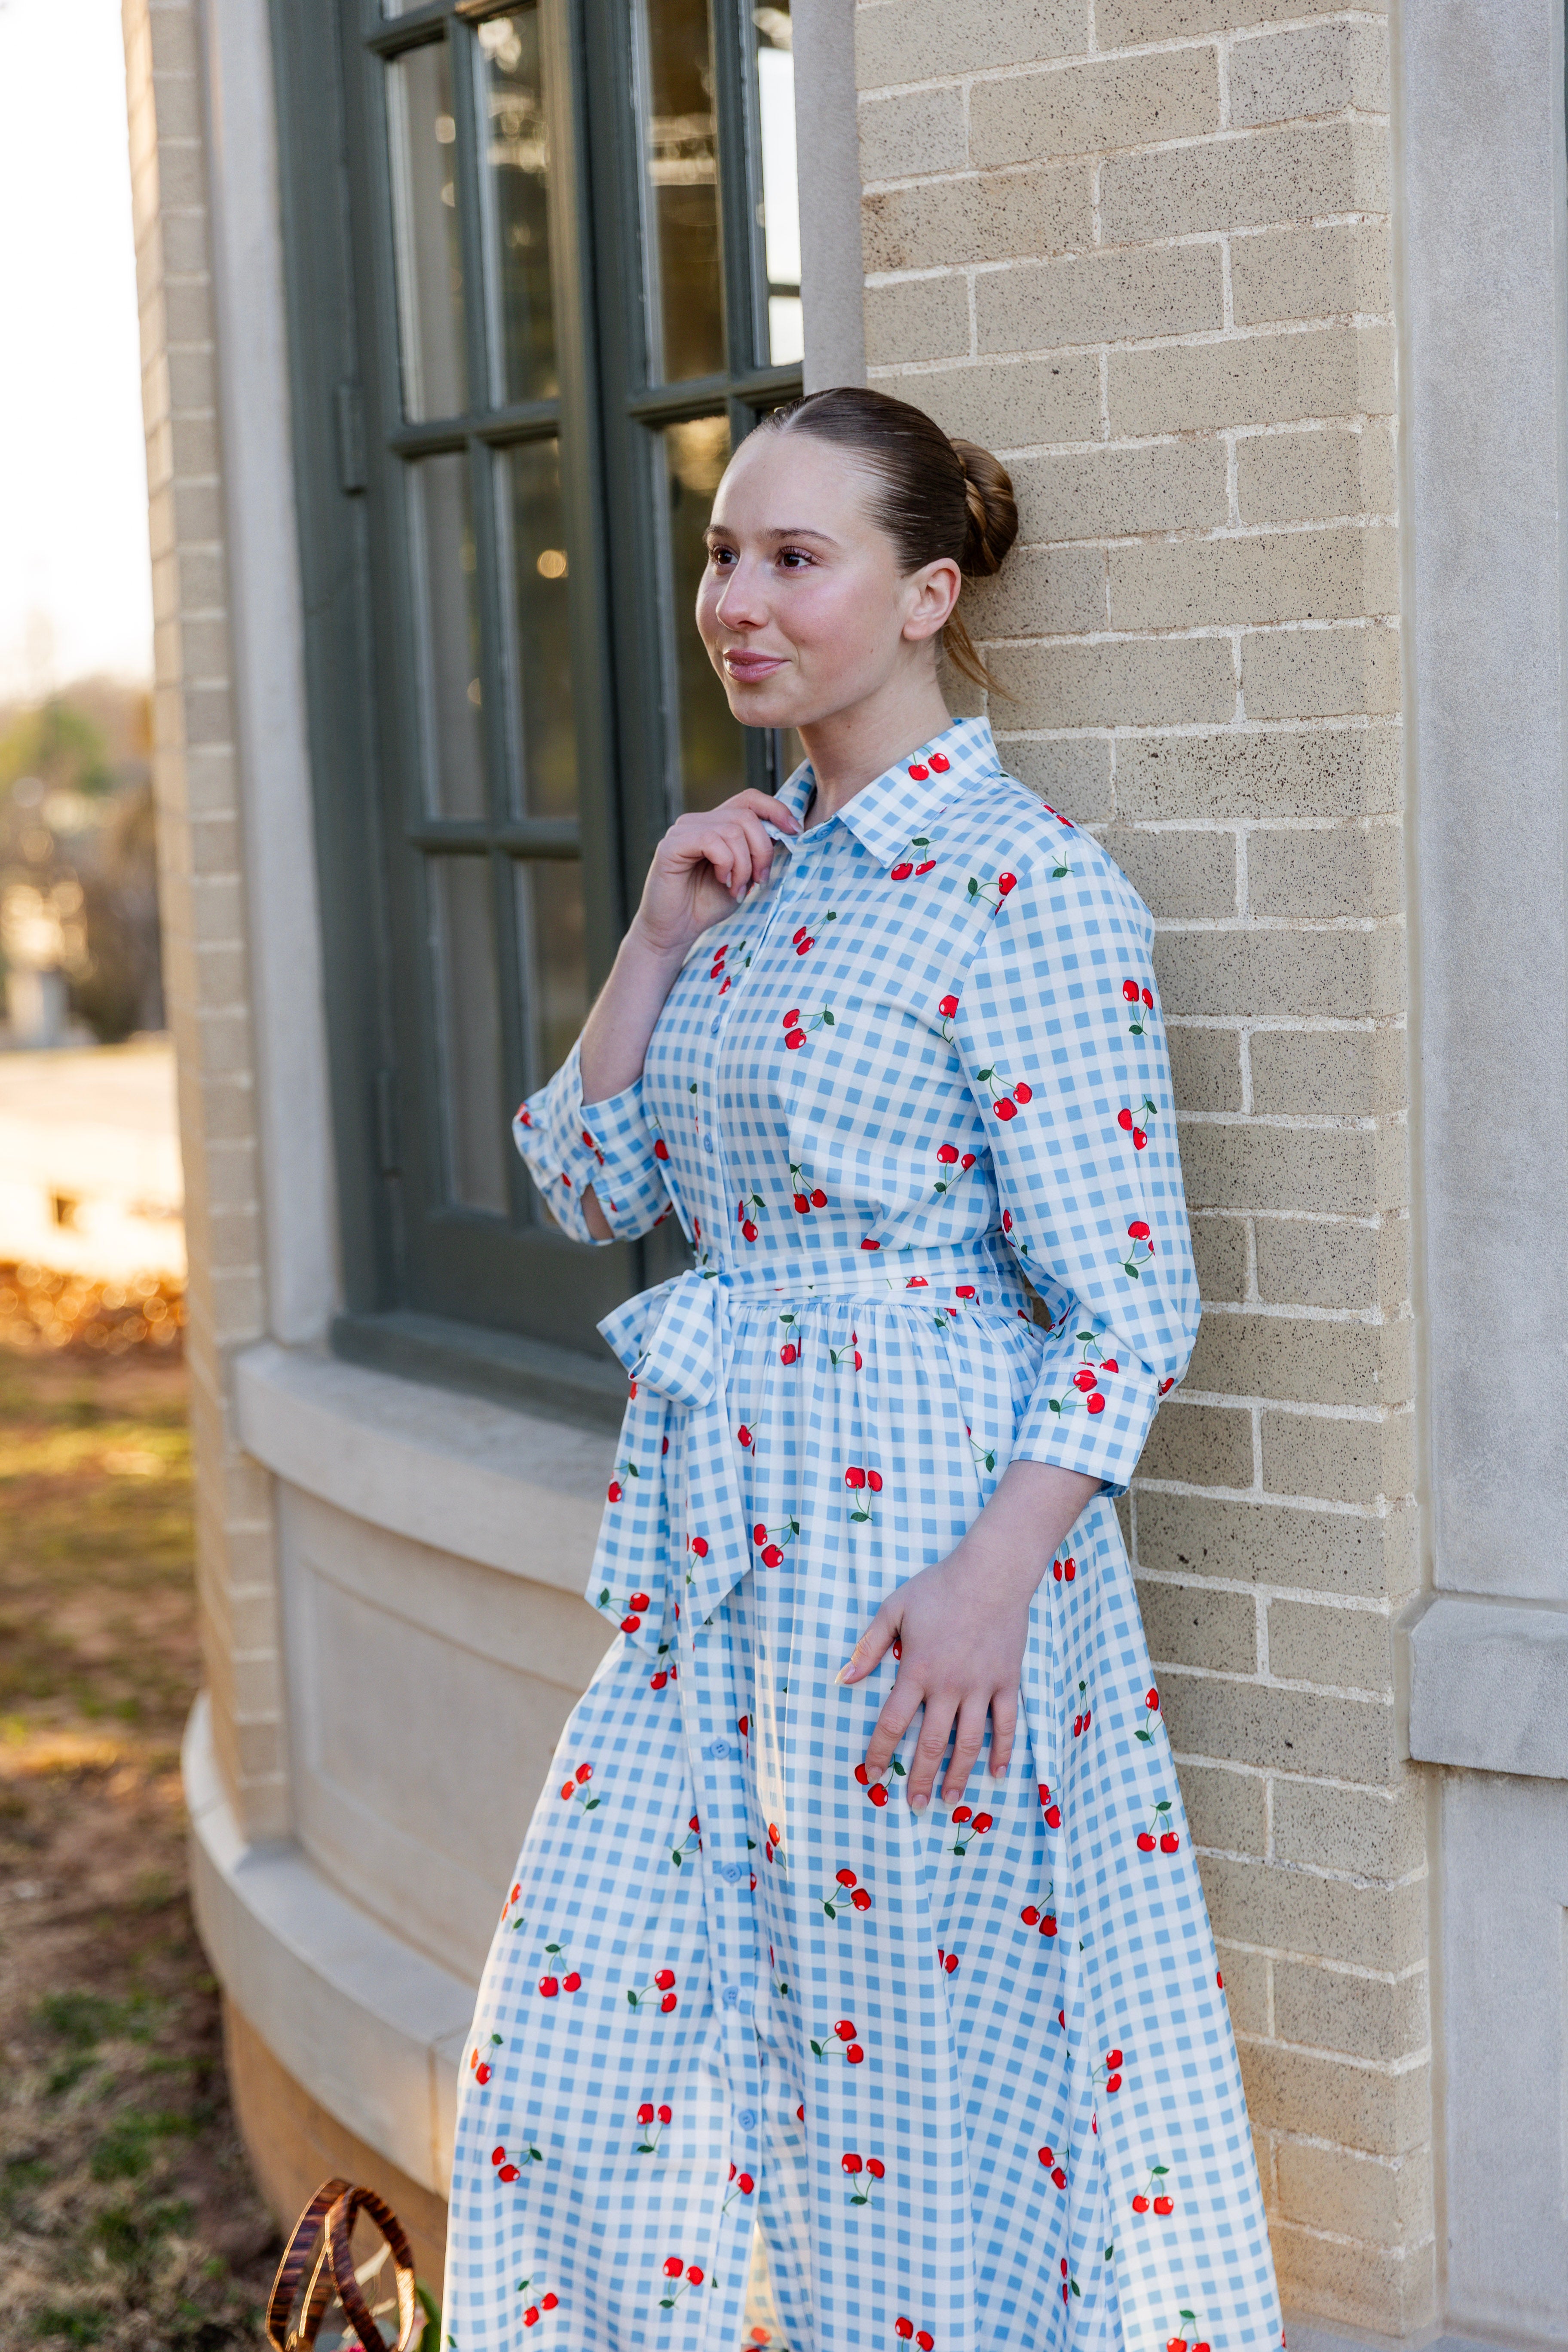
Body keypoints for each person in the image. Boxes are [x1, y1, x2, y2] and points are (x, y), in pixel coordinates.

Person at [441, 387, 1282, 2352]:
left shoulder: (1029, 887)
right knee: (582, 2055)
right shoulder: (751, 878)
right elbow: (588, 1185)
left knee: (914, 2103)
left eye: (794, 558)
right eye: (727, 551)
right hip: (715, 1572)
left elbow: (1130, 1298)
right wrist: (651, 946)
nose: (739, 597)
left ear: (925, 595)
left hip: (926, 1573)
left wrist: (996, 1588)